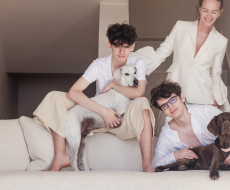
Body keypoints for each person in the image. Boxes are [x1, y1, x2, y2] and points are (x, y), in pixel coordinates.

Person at [33, 23, 155, 172]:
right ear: (110, 45)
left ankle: (147, 164)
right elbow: (73, 92)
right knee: (54, 97)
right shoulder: (99, 65)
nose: (122, 51)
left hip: (124, 119)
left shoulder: (138, 63)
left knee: (142, 102)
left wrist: (113, 84)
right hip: (98, 116)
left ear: (133, 46)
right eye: (117, 46)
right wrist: (104, 112)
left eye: (126, 46)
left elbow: (138, 92)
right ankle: (61, 156)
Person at [134, 0, 230, 111]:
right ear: (199, 9)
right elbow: (161, 53)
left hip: (203, 96)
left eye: (214, 12)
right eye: (205, 10)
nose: (209, 15)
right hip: (174, 92)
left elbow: (215, 74)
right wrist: (134, 65)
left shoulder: (221, 41)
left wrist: (217, 95)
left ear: (220, 12)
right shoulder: (181, 27)